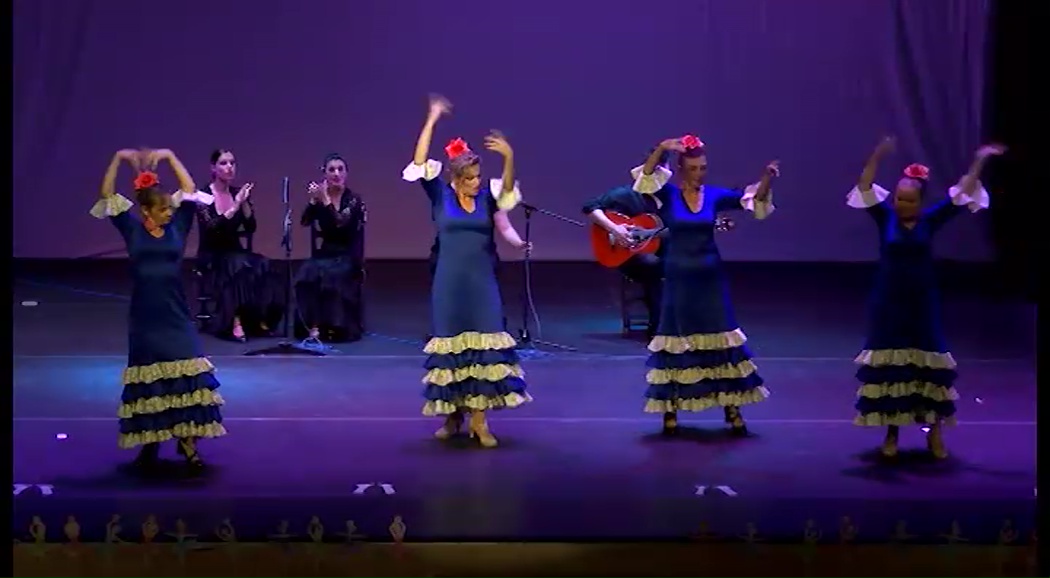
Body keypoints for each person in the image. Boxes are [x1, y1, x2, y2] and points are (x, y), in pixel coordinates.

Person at [847, 137, 1002, 459]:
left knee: (927, 372)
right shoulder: (885, 218)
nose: (904, 205)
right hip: (889, 304)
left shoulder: (931, 220)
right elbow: (864, 186)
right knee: (894, 371)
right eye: (901, 200)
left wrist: (980, 160)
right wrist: (876, 154)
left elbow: (963, 192)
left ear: (919, 201)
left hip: (921, 304)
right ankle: (891, 433)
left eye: (910, 201)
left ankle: (934, 433)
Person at [401, 94, 531, 447]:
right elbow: (418, 160)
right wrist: (431, 118)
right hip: (449, 284)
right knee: (453, 350)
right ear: (457, 179)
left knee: (484, 347)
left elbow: (506, 191)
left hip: (481, 282)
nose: (477, 181)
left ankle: (480, 420)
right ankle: (453, 415)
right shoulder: (439, 196)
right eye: (471, 177)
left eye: (478, 176)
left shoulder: (488, 198)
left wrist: (509, 158)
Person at [89, 148, 225, 472]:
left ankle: (188, 445)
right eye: (162, 208)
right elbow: (107, 194)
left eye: (169, 208)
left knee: (188, 377)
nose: (169, 211)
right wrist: (119, 158)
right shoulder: (132, 229)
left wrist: (168, 155)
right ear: (146, 211)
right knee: (150, 384)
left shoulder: (178, 227)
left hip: (174, 316)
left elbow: (190, 191)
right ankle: (151, 445)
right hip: (145, 320)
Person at [632, 135, 778, 435]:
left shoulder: (714, 196)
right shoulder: (667, 195)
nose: (700, 172)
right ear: (683, 169)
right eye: (695, 168)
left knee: (720, 340)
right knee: (676, 340)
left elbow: (751, 201)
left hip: (710, 279)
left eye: (703, 168)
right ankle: (670, 410)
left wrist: (767, 178)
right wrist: (662, 149)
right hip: (678, 279)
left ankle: (731, 407)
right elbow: (645, 178)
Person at [581, 147, 673, 339]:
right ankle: (658, 330)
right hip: (628, 255)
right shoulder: (625, 194)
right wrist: (614, 229)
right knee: (654, 265)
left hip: (665, 252)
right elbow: (590, 207)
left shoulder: (672, 197)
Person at [195, 149, 284, 341]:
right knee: (235, 265)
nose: (229, 168)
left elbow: (251, 227)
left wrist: (244, 204)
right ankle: (234, 322)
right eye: (224, 163)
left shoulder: (237, 193)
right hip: (213, 254)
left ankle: (260, 318)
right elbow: (212, 228)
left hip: (235, 251)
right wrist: (235, 206)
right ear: (213, 168)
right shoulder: (203, 195)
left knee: (264, 264)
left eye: (232, 163)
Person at [294, 153, 367, 342]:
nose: (336, 174)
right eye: (331, 170)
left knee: (333, 274)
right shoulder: (320, 198)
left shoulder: (353, 199)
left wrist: (325, 198)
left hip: (346, 254)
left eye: (340, 169)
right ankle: (313, 324)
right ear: (324, 174)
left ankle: (334, 325)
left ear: (346, 173)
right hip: (325, 252)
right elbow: (304, 221)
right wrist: (312, 200)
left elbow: (340, 223)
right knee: (306, 273)